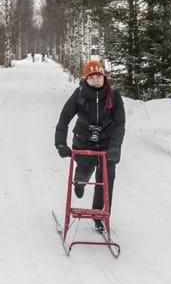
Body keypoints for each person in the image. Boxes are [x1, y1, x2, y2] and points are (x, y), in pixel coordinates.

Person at [54, 59, 126, 229]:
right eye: (91, 77)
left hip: (107, 145)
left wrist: (115, 147)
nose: (95, 80)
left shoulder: (113, 96)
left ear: (104, 77)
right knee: (85, 169)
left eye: (98, 76)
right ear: (86, 79)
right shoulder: (79, 94)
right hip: (84, 141)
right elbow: (64, 118)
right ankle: (80, 182)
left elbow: (119, 124)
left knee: (106, 179)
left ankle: (98, 213)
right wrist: (60, 144)